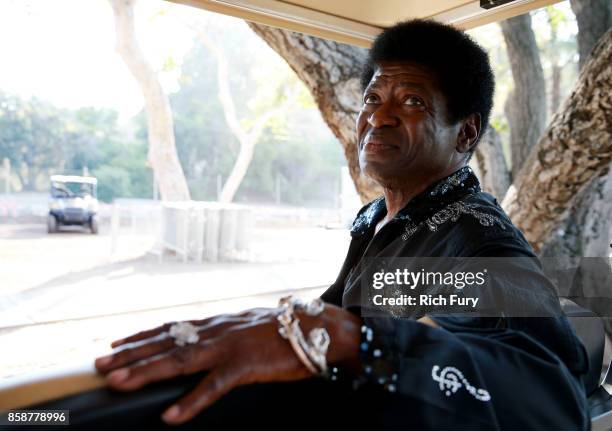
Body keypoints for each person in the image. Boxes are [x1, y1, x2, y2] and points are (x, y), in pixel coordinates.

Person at [94, 19, 590, 430]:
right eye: (373, 99)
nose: (379, 117)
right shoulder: (378, 221)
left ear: (465, 132)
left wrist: (360, 340)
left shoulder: (477, 239)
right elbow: (337, 321)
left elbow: (556, 400)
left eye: (412, 102)